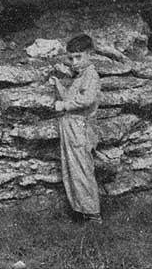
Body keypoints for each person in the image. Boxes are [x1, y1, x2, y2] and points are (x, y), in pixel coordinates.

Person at [51, 33, 102, 223]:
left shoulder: (91, 75)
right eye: (71, 58)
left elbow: (87, 100)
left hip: (80, 128)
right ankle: (82, 212)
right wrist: (58, 85)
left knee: (81, 170)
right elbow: (72, 98)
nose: (74, 62)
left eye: (79, 57)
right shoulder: (81, 76)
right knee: (72, 169)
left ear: (90, 55)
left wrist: (63, 106)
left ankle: (93, 214)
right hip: (71, 127)